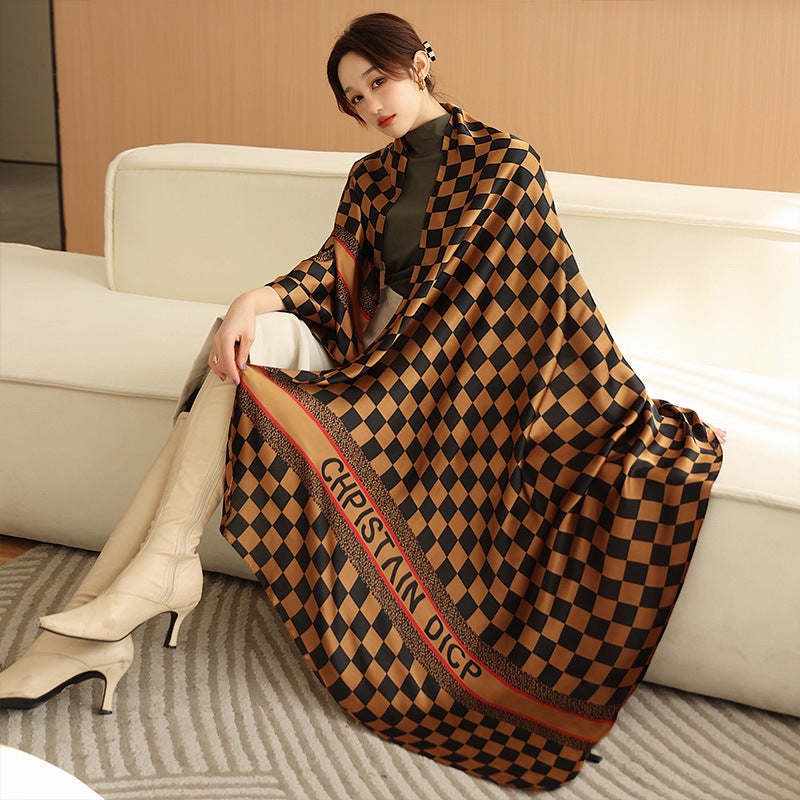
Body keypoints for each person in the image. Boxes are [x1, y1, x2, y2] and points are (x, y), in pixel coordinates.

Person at [0, 12, 724, 790]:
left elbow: (521, 297)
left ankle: (98, 625)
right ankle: (149, 580)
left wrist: (389, 362)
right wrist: (253, 299)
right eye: (354, 97)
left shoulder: (505, 163)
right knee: (234, 348)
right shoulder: (370, 176)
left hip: (455, 377)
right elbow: (336, 271)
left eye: (380, 82)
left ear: (421, 63)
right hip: (371, 349)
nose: (372, 105)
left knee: (233, 386)